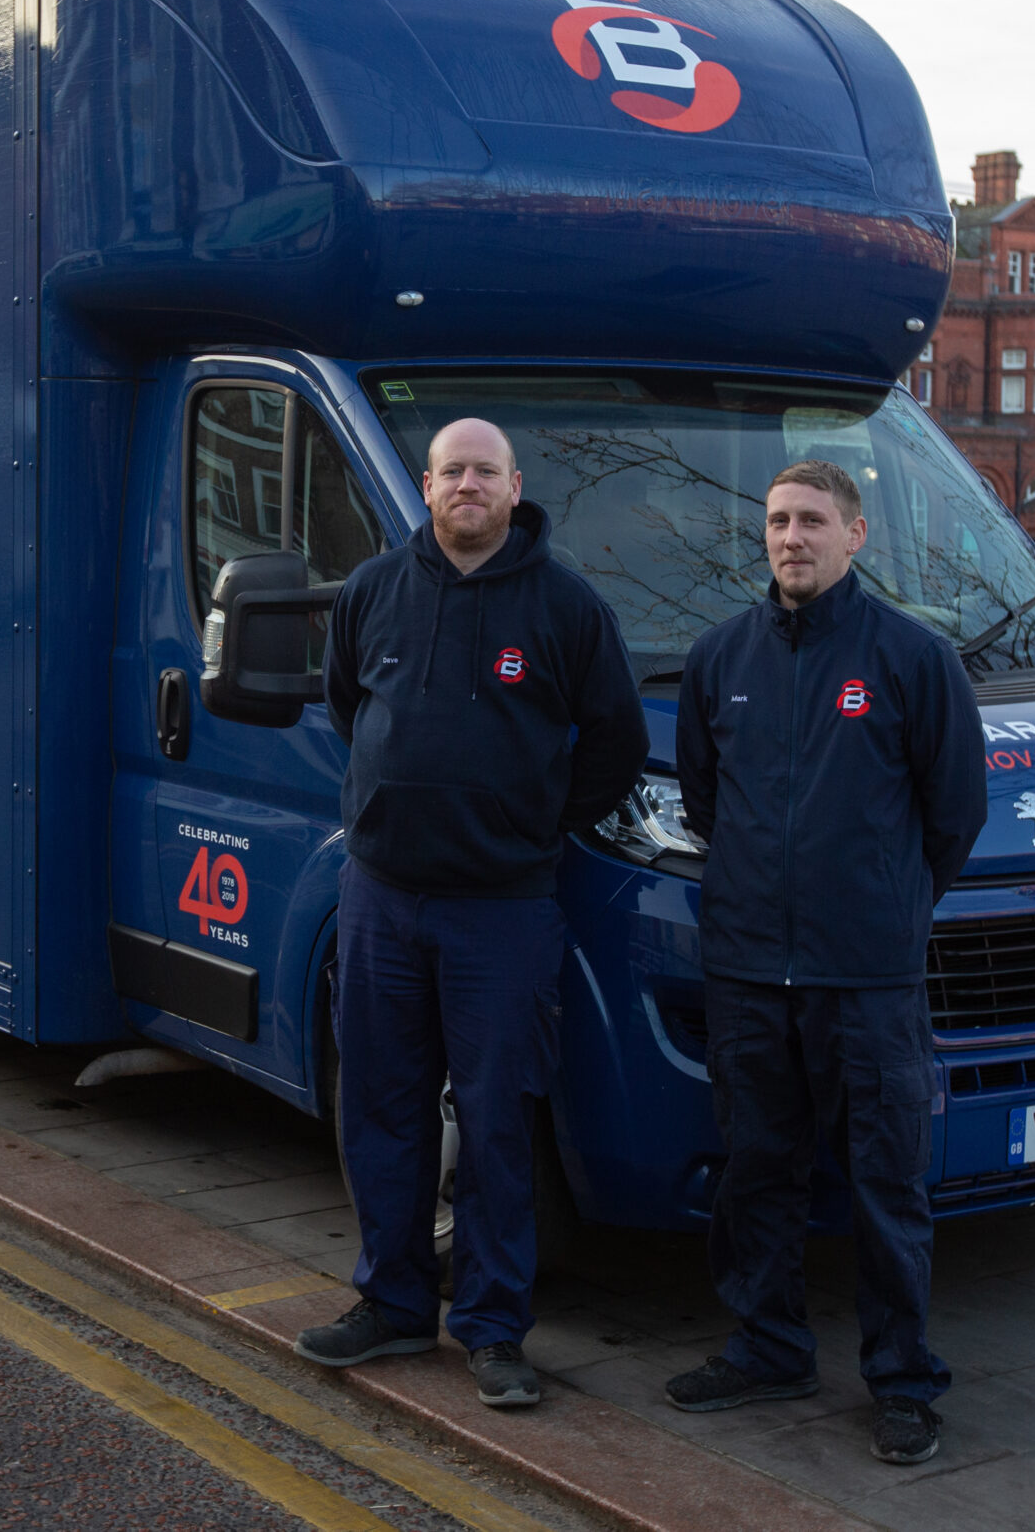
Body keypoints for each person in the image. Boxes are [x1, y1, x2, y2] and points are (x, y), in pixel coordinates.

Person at [297, 417, 648, 1410]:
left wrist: (532, 820)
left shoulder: (565, 606)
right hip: (381, 900)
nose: (466, 486)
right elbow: (345, 706)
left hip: (501, 909)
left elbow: (614, 743)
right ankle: (393, 1302)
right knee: (380, 1110)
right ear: (425, 484)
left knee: (496, 1126)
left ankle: (493, 1329)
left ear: (512, 486)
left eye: (482, 472)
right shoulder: (372, 590)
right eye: (450, 471)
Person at [664, 458, 986, 1466]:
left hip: (868, 982)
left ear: (855, 536)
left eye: (811, 521)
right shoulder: (720, 661)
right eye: (775, 522)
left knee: (888, 1186)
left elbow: (954, 814)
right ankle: (767, 1346)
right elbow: (706, 804)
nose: (789, 537)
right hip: (752, 973)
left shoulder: (910, 659)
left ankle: (901, 1382)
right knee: (757, 1170)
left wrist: (884, 908)